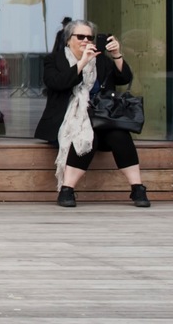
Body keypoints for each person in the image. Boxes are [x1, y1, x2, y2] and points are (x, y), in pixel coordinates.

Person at [35, 20, 149, 208]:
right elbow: (57, 83)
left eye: (90, 37)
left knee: (120, 135)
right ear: (68, 39)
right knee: (87, 137)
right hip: (67, 121)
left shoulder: (101, 60)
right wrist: (82, 62)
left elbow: (124, 78)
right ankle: (67, 189)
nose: (86, 41)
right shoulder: (54, 60)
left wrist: (116, 55)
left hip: (101, 118)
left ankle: (137, 188)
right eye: (80, 37)